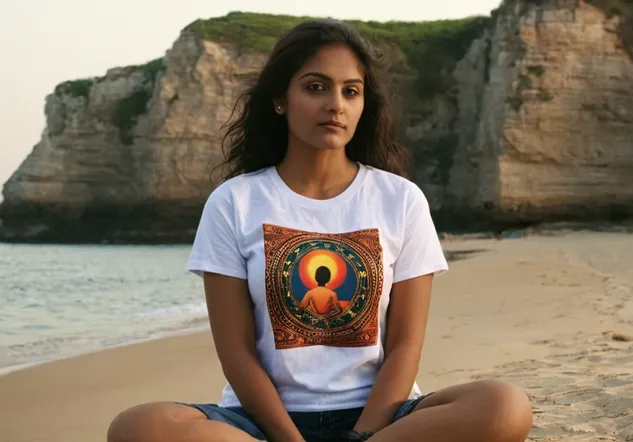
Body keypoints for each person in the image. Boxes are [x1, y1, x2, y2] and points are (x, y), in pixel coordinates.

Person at [107, 18, 532, 442]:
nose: (335, 104)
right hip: (264, 422)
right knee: (135, 428)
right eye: (315, 87)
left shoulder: (400, 199)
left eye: (351, 91)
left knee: (505, 405)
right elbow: (236, 352)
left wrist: (363, 435)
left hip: (380, 419)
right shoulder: (233, 202)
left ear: (364, 105)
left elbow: (405, 346)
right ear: (280, 99)